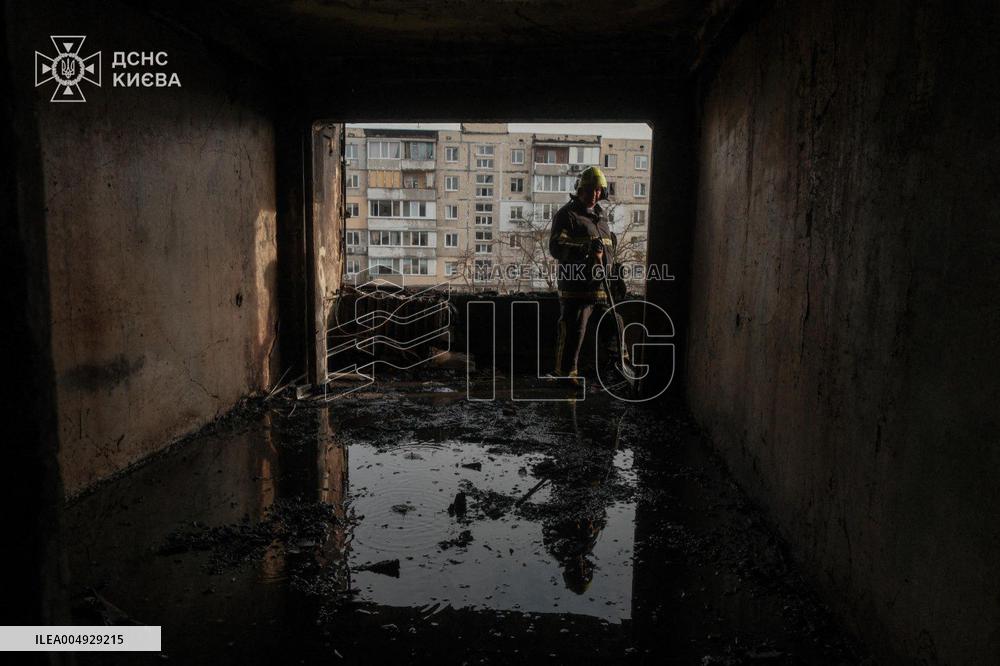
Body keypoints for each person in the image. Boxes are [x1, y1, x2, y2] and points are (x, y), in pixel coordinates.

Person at [547, 166, 626, 382]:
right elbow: (556, 247)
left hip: (600, 289)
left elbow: (609, 253)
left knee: (615, 323)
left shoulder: (601, 219)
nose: (595, 195)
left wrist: (616, 275)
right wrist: (585, 248)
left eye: (599, 190)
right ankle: (564, 375)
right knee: (574, 332)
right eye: (590, 190)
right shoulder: (567, 215)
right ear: (580, 189)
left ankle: (619, 368)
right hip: (576, 289)